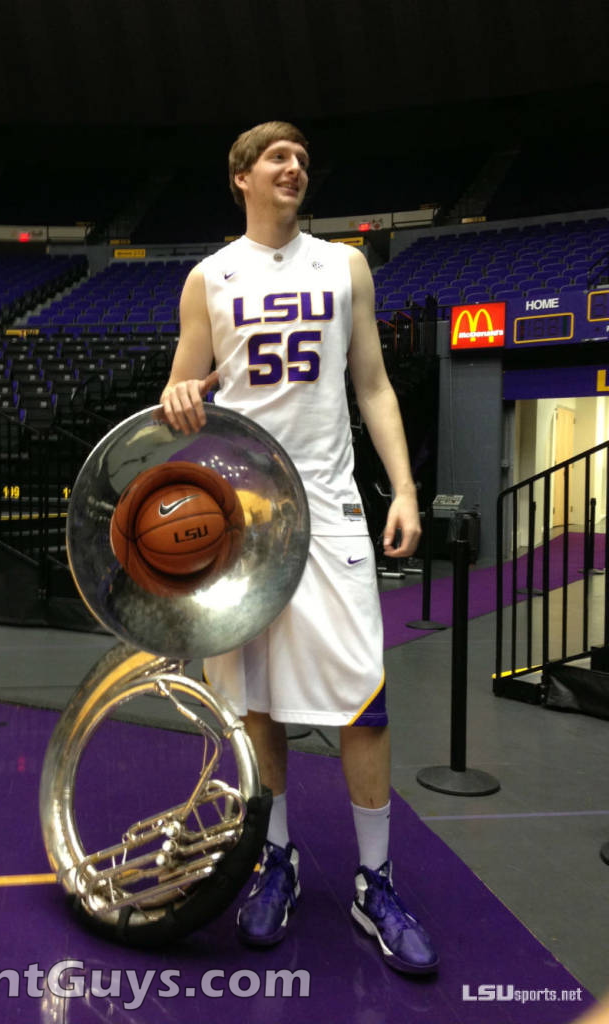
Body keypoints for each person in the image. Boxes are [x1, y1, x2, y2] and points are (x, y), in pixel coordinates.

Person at [160, 121, 438, 974]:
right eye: (278, 158)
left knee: (364, 696)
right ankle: (272, 859)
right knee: (257, 701)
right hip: (242, 511)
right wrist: (178, 394)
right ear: (241, 175)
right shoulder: (208, 278)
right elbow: (183, 381)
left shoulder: (344, 265)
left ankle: (373, 881)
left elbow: (373, 384)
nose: (295, 168)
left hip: (329, 505)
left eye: (305, 161)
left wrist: (406, 487)